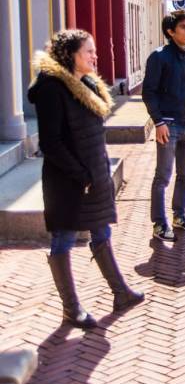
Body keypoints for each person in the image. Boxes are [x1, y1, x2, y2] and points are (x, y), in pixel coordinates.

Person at [29, 30, 144, 329]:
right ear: (70, 55)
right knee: (63, 239)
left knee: (101, 231)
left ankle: (120, 292)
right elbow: (51, 143)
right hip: (69, 182)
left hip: (94, 175)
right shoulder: (51, 88)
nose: (95, 56)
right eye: (88, 51)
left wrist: (98, 172)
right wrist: (81, 176)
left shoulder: (88, 84)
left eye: (94, 51)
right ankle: (71, 309)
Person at [143, 10, 185, 241]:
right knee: (163, 176)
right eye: (183, 26)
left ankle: (179, 215)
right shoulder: (159, 57)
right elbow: (148, 92)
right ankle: (159, 224)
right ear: (170, 32)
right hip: (168, 125)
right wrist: (158, 122)